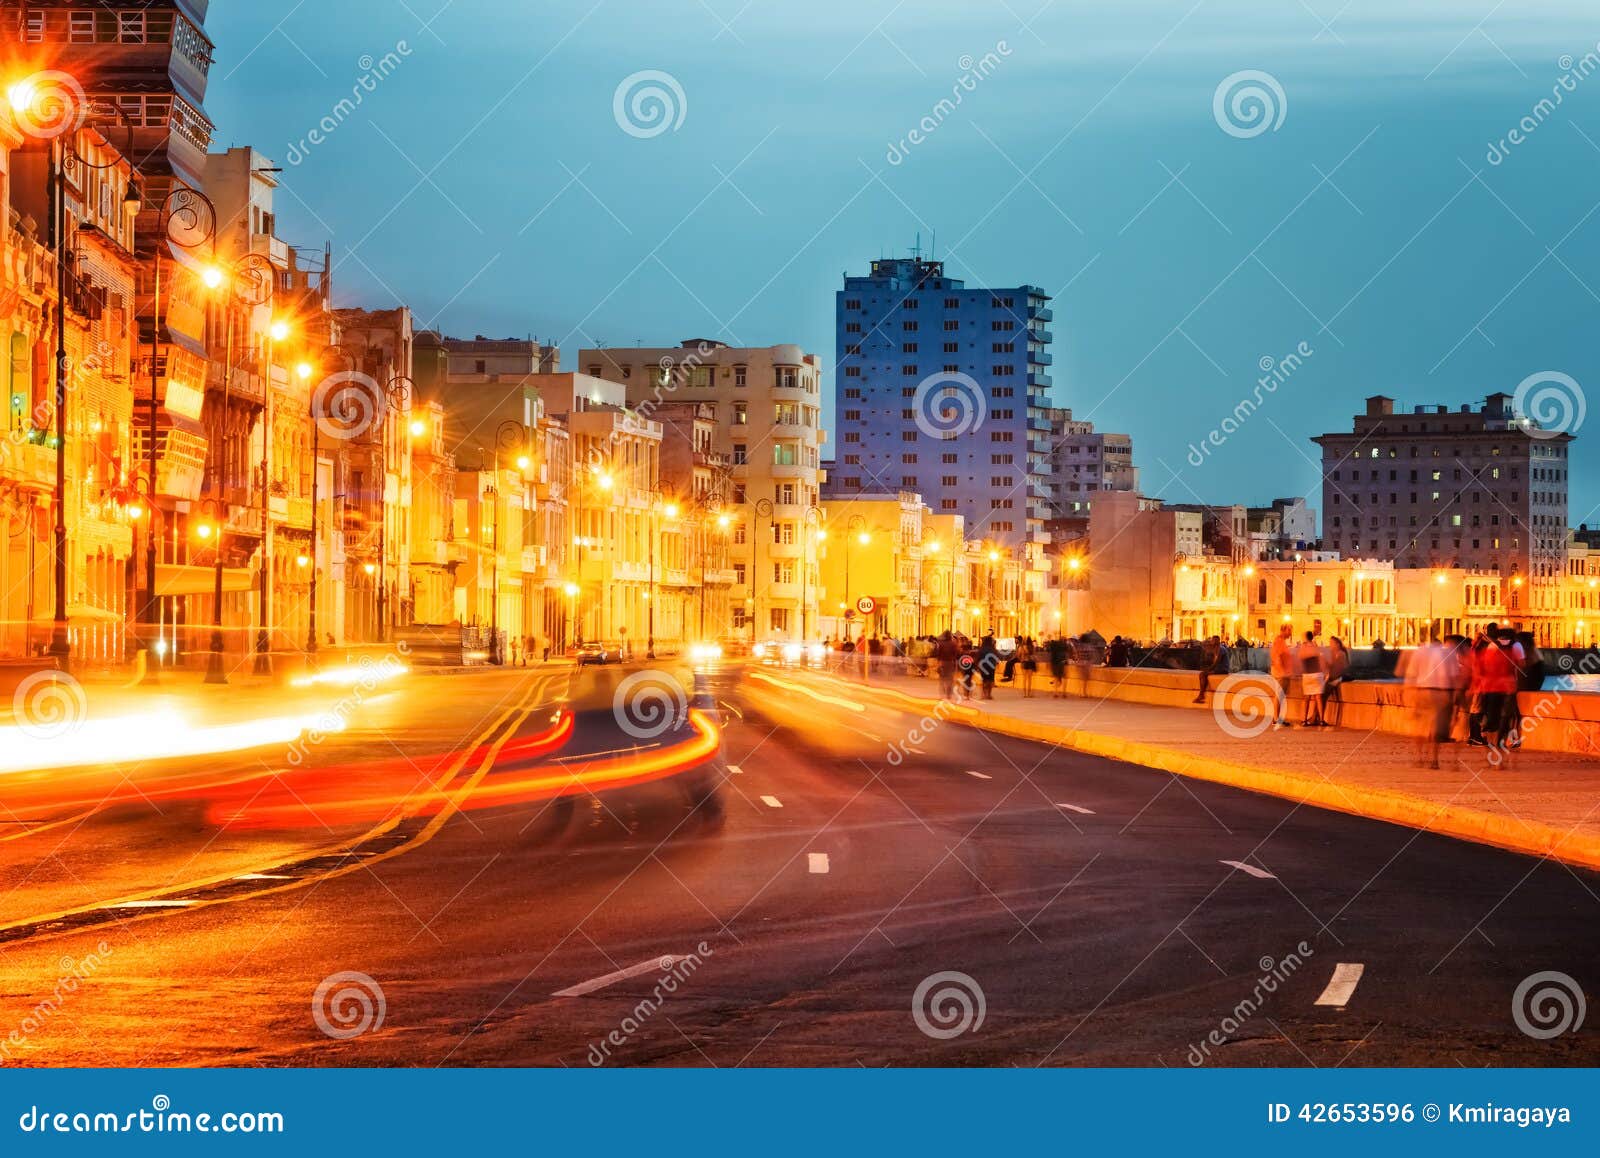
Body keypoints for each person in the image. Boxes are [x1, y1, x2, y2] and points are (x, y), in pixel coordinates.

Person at [1400, 632, 1462, 769]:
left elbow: (1411, 675)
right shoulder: (1449, 653)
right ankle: (1434, 760)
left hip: (1422, 690)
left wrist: (1408, 693)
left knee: (1420, 726)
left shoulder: (1420, 652)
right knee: (1438, 728)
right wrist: (1455, 696)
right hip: (1442, 692)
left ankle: (1419, 757)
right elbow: (1455, 677)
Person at [1475, 627, 1525, 760]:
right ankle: (1507, 742)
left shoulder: (1492, 645)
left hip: (1491, 687)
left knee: (1492, 718)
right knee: (1508, 717)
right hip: (1509, 686)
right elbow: (1522, 665)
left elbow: (1485, 666)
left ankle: (1489, 742)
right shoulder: (1517, 645)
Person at [1269, 623, 1299, 729]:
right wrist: (1283, 671)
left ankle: (1278, 718)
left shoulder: (1281, 641)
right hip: (1280, 673)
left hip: (1281, 673)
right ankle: (1276, 719)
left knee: (1280, 696)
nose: (1291, 633)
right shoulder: (1279, 641)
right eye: (1289, 630)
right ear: (1283, 630)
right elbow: (1277, 657)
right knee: (1279, 695)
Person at [1296, 630, 1327, 726]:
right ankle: (1321, 720)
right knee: (1318, 698)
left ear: (1305, 637)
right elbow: (1321, 659)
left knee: (1306, 698)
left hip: (1307, 675)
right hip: (1317, 674)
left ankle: (1304, 720)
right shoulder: (1316, 646)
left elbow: (1300, 659)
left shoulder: (1303, 647)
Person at [1324, 636, 1350, 726]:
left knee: (1322, 696)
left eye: (1331, 643)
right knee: (1320, 697)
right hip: (1333, 678)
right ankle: (1317, 716)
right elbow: (1332, 667)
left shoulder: (1341, 654)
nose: (1330, 645)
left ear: (1337, 644)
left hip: (1336, 678)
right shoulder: (1334, 653)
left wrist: (1330, 678)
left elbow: (1339, 669)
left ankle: (1319, 717)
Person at [935, 631, 959, 701]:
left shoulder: (941, 644)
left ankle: (942, 694)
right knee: (950, 679)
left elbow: (938, 655)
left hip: (943, 662)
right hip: (950, 663)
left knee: (942, 679)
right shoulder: (953, 644)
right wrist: (955, 664)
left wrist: (938, 663)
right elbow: (955, 655)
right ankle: (948, 694)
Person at [977, 633, 999, 700]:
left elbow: (978, 657)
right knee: (990, 680)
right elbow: (996, 657)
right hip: (991, 666)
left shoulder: (982, 648)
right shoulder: (993, 649)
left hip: (983, 666)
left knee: (984, 681)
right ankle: (989, 695)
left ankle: (983, 694)